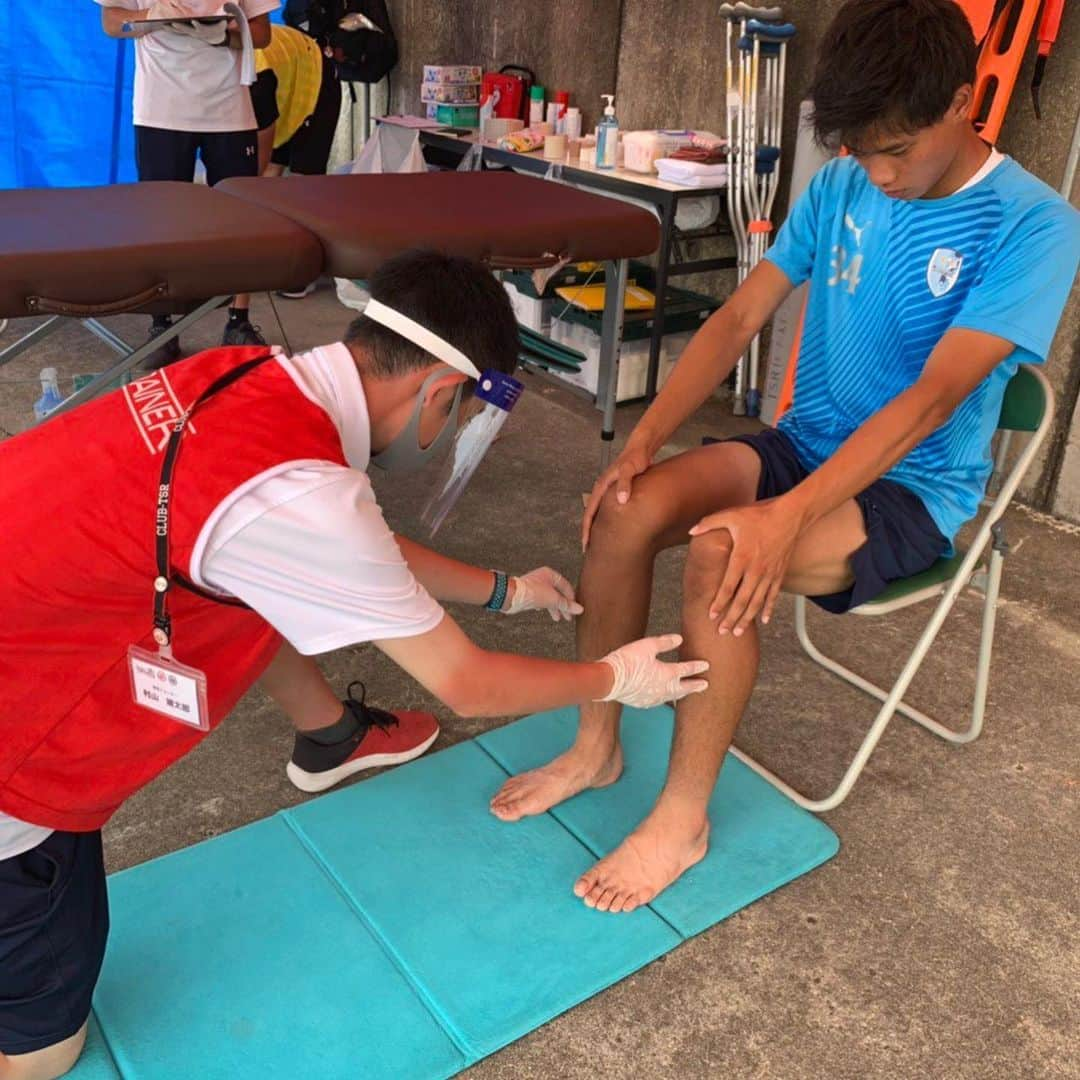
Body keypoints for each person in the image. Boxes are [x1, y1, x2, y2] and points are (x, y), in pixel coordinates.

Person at [0, 250, 708, 1080]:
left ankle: (330, 737)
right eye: (460, 420)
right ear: (441, 393)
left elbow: (348, 541)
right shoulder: (304, 498)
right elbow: (465, 683)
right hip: (17, 776)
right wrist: (617, 678)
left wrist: (505, 589)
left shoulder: (246, 373)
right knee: (46, 1052)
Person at [490, 0, 1080, 914]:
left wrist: (784, 518)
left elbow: (931, 401)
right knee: (625, 505)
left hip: (910, 489)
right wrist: (639, 442)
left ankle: (683, 818)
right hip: (804, 445)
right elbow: (738, 318)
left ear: (965, 101)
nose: (876, 173)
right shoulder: (844, 182)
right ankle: (595, 744)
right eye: (861, 150)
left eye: (897, 150)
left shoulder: (1032, 224)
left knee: (728, 551)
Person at [98, 0, 278, 366]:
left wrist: (220, 30)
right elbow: (112, 24)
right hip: (159, 109)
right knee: (160, 223)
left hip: (229, 109)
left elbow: (261, 35)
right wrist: (152, 19)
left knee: (240, 223)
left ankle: (238, 321)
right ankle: (161, 326)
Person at [251, 22, 342, 298]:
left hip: (317, 77)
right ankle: (265, 255)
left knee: (305, 180)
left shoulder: (256, 75)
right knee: (271, 171)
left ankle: (304, 269)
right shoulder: (210, 74)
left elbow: (257, 162)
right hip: (286, 81)